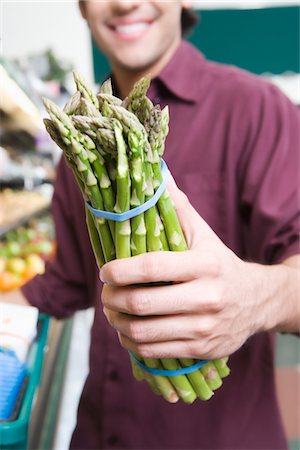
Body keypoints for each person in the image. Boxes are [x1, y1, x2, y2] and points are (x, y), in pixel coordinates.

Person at [2, 1, 299, 449]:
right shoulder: (83, 144)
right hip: (98, 432)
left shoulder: (256, 108)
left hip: (220, 437)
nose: (125, 1)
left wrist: (254, 299)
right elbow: (65, 283)